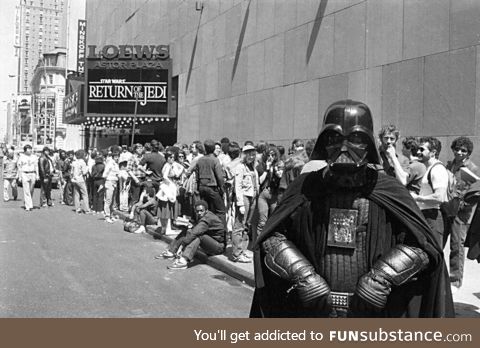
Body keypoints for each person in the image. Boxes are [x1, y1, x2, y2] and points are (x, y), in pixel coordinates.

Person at [250, 99, 454, 318]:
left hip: (372, 313)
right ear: (324, 142)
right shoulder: (305, 187)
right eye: (334, 138)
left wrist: (382, 277)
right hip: (314, 311)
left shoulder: (389, 190)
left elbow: (424, 246)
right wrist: (302, 274)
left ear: (369, 143)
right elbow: (272, 238)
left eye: (356, 138)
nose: (344, 147)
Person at [444, 137, 480, 290]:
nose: (459, 152)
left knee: (456, 245)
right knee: (439, 241)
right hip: (447, 207)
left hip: (462, 212)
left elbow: (475, 193)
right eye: (457, 149)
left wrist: (463, 203)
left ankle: (455, 280)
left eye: (463, 150)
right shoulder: (449, 165)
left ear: (468, 153)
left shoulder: (472, 168)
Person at [160, 200, 226, 270]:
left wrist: (183, 245)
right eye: (197, 211)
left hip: (218, 247)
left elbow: (195, 232)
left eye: (201, 211)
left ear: (206, 210)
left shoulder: (207, 219)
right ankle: (171, 251)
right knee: (187, 230)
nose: (199, 213)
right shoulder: (204, 216)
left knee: (199, 236)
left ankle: (183, 261)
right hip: (210, 242)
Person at [410, 137, 449, 248]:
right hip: (426, 216)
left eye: (422, 149)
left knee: (435, 255)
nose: (418, 152)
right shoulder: (428, 168)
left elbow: (439, 197)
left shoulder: (437, 169)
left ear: (433, 152)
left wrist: (417, 198)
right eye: (418, 149)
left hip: (433, 217)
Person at [231, 144, 259, 263]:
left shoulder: (252, 167)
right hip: (244, 197)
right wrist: (240, 203)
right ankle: (236, 254)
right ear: (244, 155)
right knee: (239, 226)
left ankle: (243, 249)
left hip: (252, 197)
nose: (251, 157)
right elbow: (237, 185)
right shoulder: (240, 167)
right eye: (249, 154)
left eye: (253, 154)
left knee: (246, 225)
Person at [189, 139, 226, 227]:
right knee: (221, 211)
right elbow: (220, 177)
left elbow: (197, 176)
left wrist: (198, 188)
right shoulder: (215, 160)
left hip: (202, 187)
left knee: (205, 210)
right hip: (212, 187)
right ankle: (222, 232)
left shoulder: (200, 160)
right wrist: (222, 189)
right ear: (213, 149)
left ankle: (203, 228)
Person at [17, 144, 39, 211]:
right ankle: (28, 206)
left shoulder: (34, 157)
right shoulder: (22, 157)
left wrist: (37, 175)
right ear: (25, 151)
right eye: (28, 149)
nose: (30, 150)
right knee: (26, 190)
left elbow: (36, 166)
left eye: (30, 149)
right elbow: (19, 167)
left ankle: (29, 201)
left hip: (32, 173)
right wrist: (20, 176)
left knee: (31, 190)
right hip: (25, 173)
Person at [71, 150, 91, 214]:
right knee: (84, 194)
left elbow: (71, 172)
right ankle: (87, 209)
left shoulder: (74, 162)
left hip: (74, 179)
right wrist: (88, 168)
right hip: (81, 180)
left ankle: (77, 209)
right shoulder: (82, 162)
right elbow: (84, 172)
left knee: (76, 194)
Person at [103, 151, 120, 223]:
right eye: (116, 156)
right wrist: (107, 180)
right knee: (108, 200)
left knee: (113, 201)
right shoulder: (110, 163)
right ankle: (107, 216)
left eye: (118, 156)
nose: (117, 158)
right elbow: (105, 174)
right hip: (110, 181)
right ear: (113, 157)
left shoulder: (116, 164)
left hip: (115, 182)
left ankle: (111, 215)